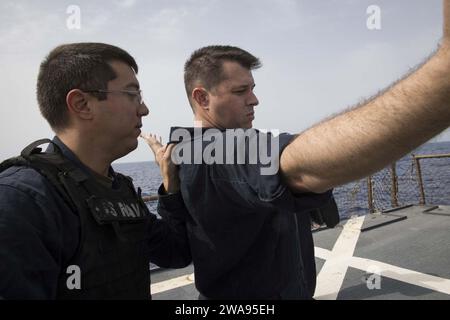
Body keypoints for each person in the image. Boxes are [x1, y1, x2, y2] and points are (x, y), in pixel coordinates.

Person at [142, 0, 450, 299]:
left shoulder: (186, 152)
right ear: (202, 98)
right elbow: (297, 166)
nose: (254, 100)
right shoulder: (215, 153)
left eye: (252, 88)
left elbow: (183, 242)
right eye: (240, 91)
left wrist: (170, 189)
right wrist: (442, 83)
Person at [0, 43, 191, 300]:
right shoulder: (21, 203)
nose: (144, 109)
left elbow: (175, 252)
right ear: (82, 104)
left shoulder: (117, 189)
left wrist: (170, 186)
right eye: (132, 94)